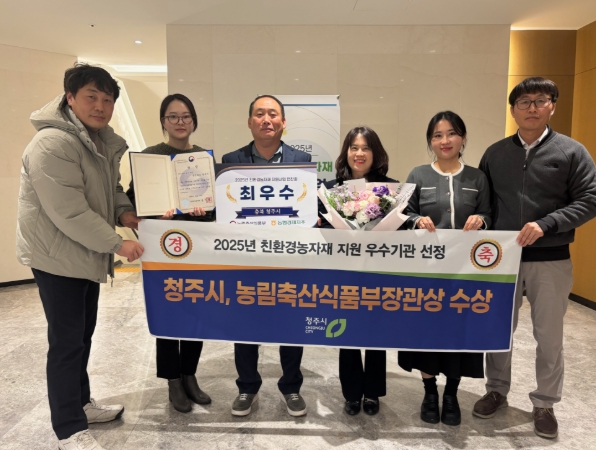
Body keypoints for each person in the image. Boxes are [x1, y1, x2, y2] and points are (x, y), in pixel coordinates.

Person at [16, 63, 144, 450]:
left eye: (107, 100)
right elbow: (69, 211)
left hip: (82, 254)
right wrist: (118, 243)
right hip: (57, 257)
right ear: (70, 98)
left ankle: (82, 404)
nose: (100, 106)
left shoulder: (97, 141)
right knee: (67, 343)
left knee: (81, 337)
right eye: (92, 97)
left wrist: (125, 213)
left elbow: (110, 189)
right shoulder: (52, 144)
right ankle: (69, 429)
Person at [475, 77, 596, 439]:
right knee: (498, 328)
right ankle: (496, 389)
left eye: (540, 100)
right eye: (523, 102)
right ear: (513, 110)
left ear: (552, 106)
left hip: (551, 258)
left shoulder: (572, 151)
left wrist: (547, 224)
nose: (531, 108)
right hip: (502, 258)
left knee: (549, 335)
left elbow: (590, 199)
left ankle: (545, 402)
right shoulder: (495, 153)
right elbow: (485, 202)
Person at [398, 111, 491, 426]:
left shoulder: (477, 178)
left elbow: (490, 215)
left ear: (462, 138)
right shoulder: (419, 174)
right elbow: (404, 214)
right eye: (437, 135)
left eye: (451, 133)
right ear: (430, 141)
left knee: (457, 332)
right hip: (427, 270)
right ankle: (429, 392)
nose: (445, 141)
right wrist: (416, 220)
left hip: (466, 271)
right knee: (428, 332)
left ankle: (451, 393)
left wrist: (481, 220)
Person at [221, 94, 311, 417]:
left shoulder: (302, 160)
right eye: (259, 114)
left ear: (283, 122)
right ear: (250, 122)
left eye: (273, 114)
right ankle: (247, 387)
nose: (266, 120)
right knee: (245, 327)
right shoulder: (231, 161)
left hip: (289, 260)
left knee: (291, 326)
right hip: (246, 262)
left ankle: (291, 387)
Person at [126, 93, 213, 413]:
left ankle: (189, 374)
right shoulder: (151, 157)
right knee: (168, 313)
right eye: (173, 116)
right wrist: (152, 214)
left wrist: (204, 211)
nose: (180, 122)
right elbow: (132, 204)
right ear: (163, 121)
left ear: (194, 121)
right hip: (162, 249)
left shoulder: (203, 158)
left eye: (186, 116)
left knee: (196, 313)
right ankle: (172, 380)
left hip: (197, 249)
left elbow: (215, 209)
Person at [318, 126, 394, 416]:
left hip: (377, 272)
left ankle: (372, 392)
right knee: (347, 333)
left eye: (365, 148)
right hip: (343, 272)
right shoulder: (330, 189)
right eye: (354, 147)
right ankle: (351, 393)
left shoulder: (390, 189)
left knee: (375, 333)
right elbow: (320, 229)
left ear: (375, 153)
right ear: (346, 152)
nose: (359, 153)